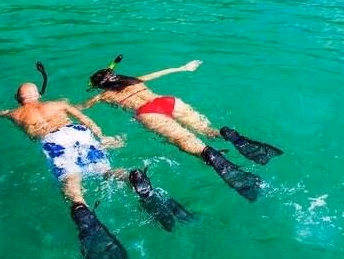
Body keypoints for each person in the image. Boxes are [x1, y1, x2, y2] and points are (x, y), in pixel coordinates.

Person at [0, 65, 193, 259]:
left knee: (71, 181)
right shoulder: (58, 104)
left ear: (19, 99)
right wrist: (102, 136)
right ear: (38, 94)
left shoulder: (14, 113)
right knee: (105, 170)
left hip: (53, 141)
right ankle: (130, 177)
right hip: (78, 133)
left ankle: (81, 208)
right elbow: (85, 118)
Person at [83, 56, 283, 202]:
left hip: (148, 112)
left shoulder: (103, 96)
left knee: (187, 142)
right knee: (207, 131)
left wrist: (77, 104)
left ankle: (211, 155)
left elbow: (81, 108)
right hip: (167, 101)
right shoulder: (135, 80)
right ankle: (225, 134)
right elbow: (161, 72)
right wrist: (184, 67)